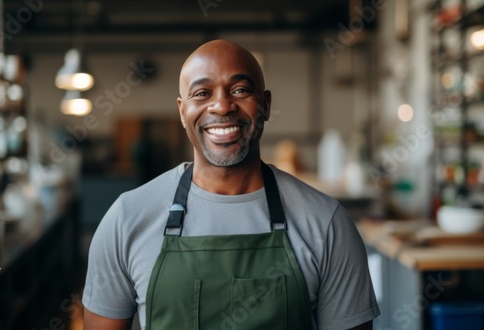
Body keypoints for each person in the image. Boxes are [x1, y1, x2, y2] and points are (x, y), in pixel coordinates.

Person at [82, 39, 380, 330]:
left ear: (265, 104)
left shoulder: (326, 223)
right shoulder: (127, 218)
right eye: (202, 93)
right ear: (182, 110)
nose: (222, 106)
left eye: (240, 90)